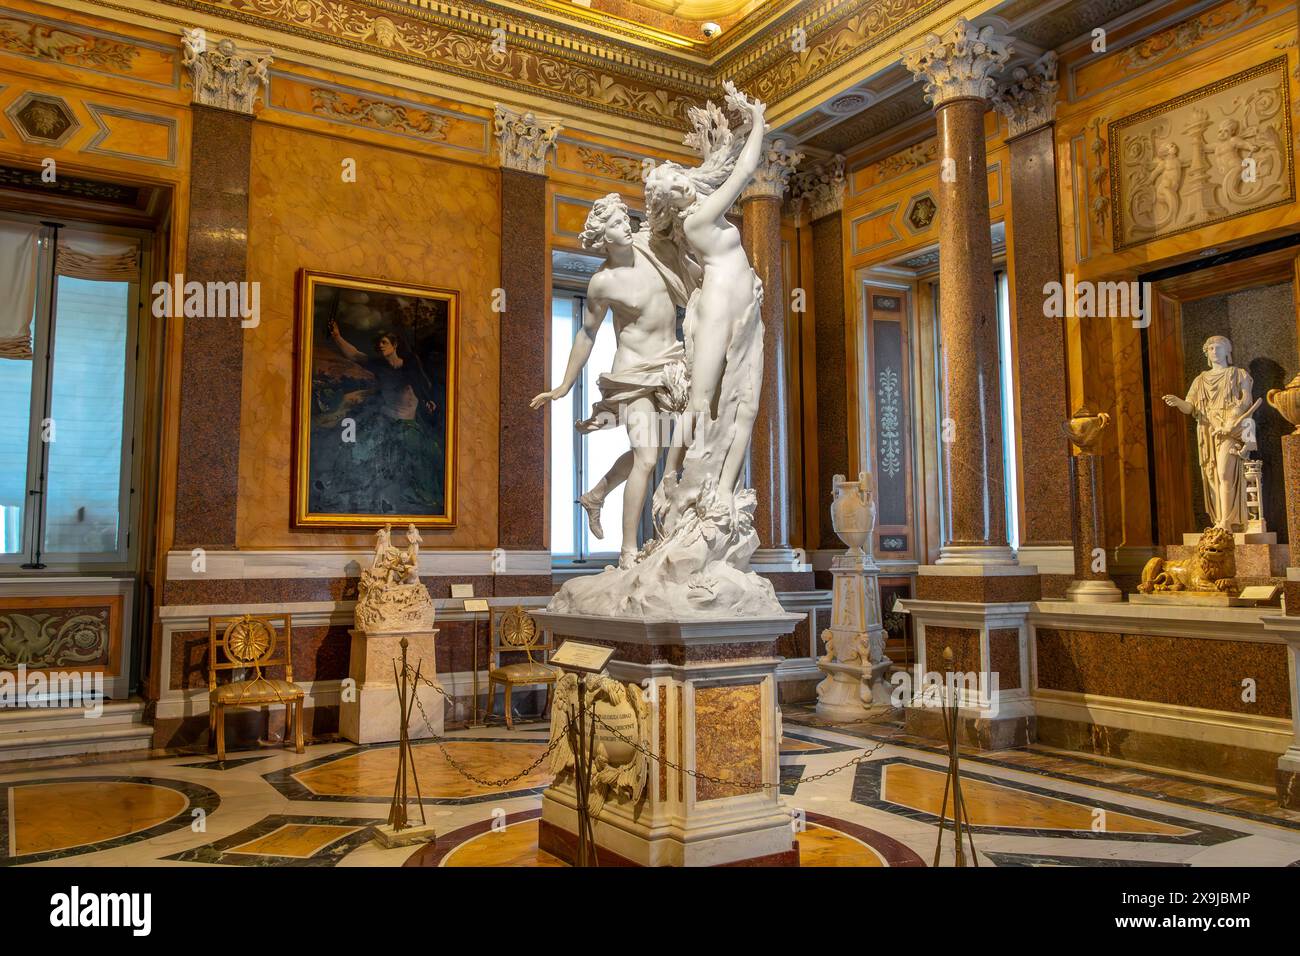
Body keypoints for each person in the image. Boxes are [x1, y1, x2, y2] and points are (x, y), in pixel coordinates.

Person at [530, 193, 688, 568]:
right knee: (648, 457)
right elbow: (587, 333)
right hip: (632, 374)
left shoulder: (651, 247)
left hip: (673, 367)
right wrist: (564, 385)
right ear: (604, 238)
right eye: (618, 225)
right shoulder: (603, 282)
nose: (628, 228)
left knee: (661, 450)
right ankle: (629, 550)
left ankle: (597, 494)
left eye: (626, 221)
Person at [643, 82, 768, 503]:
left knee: (747, 403)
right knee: (700, 397)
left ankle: (724, 494)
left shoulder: (697, 214)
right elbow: (745, 173)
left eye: (679, 179)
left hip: (746, 302)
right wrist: (759, 124)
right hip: (719, 304)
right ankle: (671, 474)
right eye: (672, 192)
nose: (682, 188)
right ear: (672, 206)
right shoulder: (696, 221)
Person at [1162, 334, 1256, 531]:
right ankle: (1220, 519)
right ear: (1206, 353)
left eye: (1219, 347)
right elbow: (1190, 407)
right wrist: (1179, 403)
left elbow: (1246, 400)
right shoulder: (1200, 380)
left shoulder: (1238, 374)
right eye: (1210, 348)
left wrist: (1231, 419)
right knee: (1212, 476)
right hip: (1207, 430)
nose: (1214, 351)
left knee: (1224, 472)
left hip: (1230, 429)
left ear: (1228, 351)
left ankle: (1227, 521)